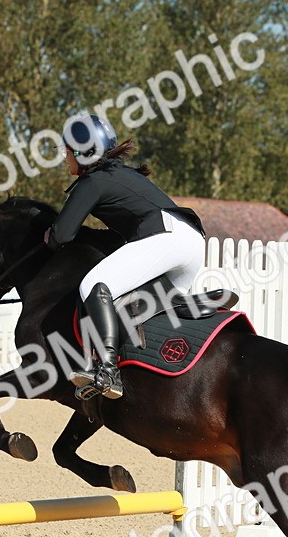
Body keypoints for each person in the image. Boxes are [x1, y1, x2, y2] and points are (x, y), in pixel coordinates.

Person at [43, 113, 205, 401]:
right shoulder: (118, 173)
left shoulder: (93, 181)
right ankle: (181, 305)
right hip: (190, 244)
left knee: (94, 285)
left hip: (167, 238)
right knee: (131, 305)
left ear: (82, 153)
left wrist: (46, 235)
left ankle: (107, 371)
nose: (64, 157)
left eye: (66, 150)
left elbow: (62, 236)